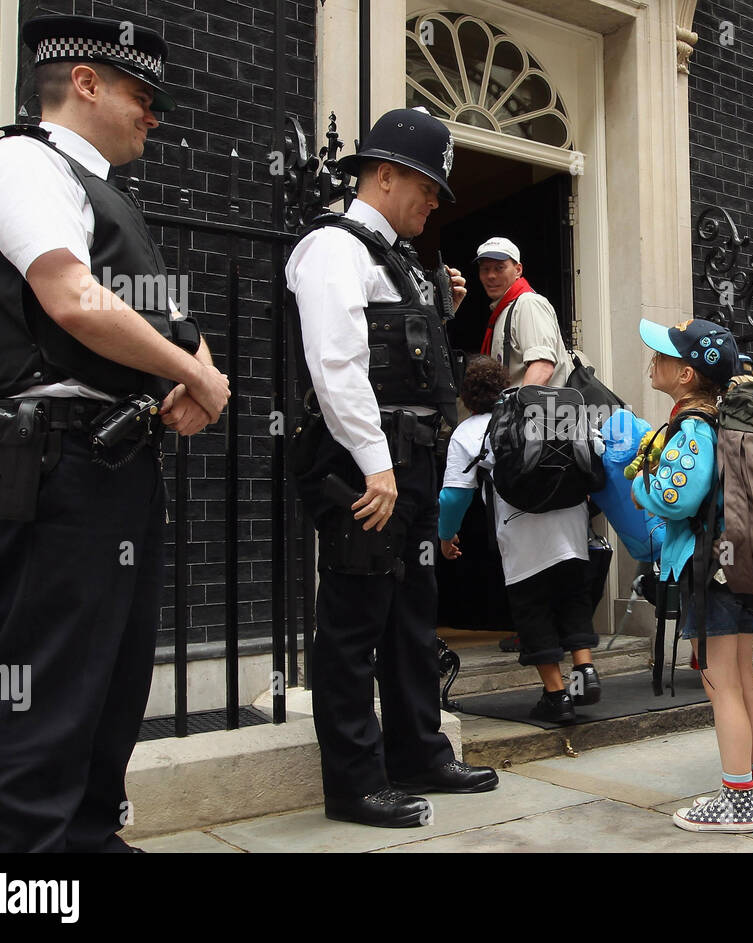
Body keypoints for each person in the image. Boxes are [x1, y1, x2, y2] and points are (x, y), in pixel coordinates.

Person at [0, 14, 230, 852]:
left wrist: (198, 377)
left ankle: (85, 843)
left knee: (111, 676)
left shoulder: (112, 199)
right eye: (144, 95)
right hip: (55, 455)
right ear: (86, 82)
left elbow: (177, 327)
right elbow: (72, 298)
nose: (156, 115)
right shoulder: (18, 163)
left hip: (116, 457)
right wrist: (194, 375)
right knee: (48, 675)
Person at [286, 107, 498, 829]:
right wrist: (376, 465)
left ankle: (418, 752)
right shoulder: (331, 248)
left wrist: (439, 307)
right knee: (354, 622)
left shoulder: (398, 260)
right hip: (360, 460)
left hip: (404, 459)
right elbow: (337, 366)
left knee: (410, 615)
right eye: (427, 187)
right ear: (383, 174)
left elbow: (401, 359)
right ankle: (353, 782)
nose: (433, 202)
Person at [630, 318, 753, 833]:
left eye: (663, 356)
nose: (654, 362)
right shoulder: (723, 420)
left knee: (721, 684)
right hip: (739, 564)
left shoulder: (694, 425)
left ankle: (735, 800)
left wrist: (640, 487)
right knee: (741, 680)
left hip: (710, 568)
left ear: (687, 374)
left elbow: (679, 497)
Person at [438, 357, 599, 723]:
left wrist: (446, 537)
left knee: (533, 609)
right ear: (506, 385)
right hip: (571, 520)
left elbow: (453, 496)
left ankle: (557, 697)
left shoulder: (469, 431)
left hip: (521, 530)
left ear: (467, 395)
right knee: (573, 596)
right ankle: (585, 671)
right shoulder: (541, 413)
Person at [477, 236, 571, 389]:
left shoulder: (528, 304)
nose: (491, 276)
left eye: (499, 268)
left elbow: (542, 367)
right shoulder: (504, 309)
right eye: (485, 269)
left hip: (538, 411)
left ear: (518, 270)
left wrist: (517, 410)